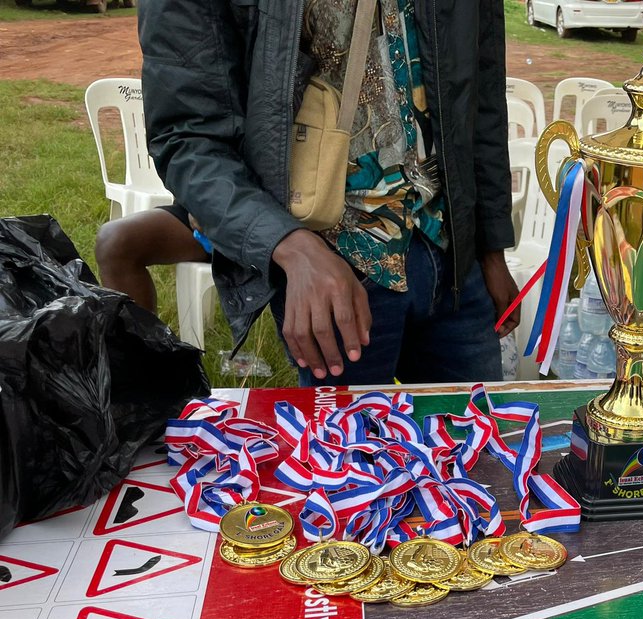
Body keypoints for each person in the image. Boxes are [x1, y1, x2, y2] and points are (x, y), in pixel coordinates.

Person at [138, 0, 519, 386]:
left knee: (476, 440)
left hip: (453, 258)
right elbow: (187, 137)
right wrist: (289, 245)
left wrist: (491, 247)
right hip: (334, 269)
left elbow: (482, 92)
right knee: (347, 446)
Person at [94, 204, 211, 313]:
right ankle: (139, 333)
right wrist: (194, 201)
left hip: (227, 214)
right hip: (206, 205)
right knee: (114, 241)